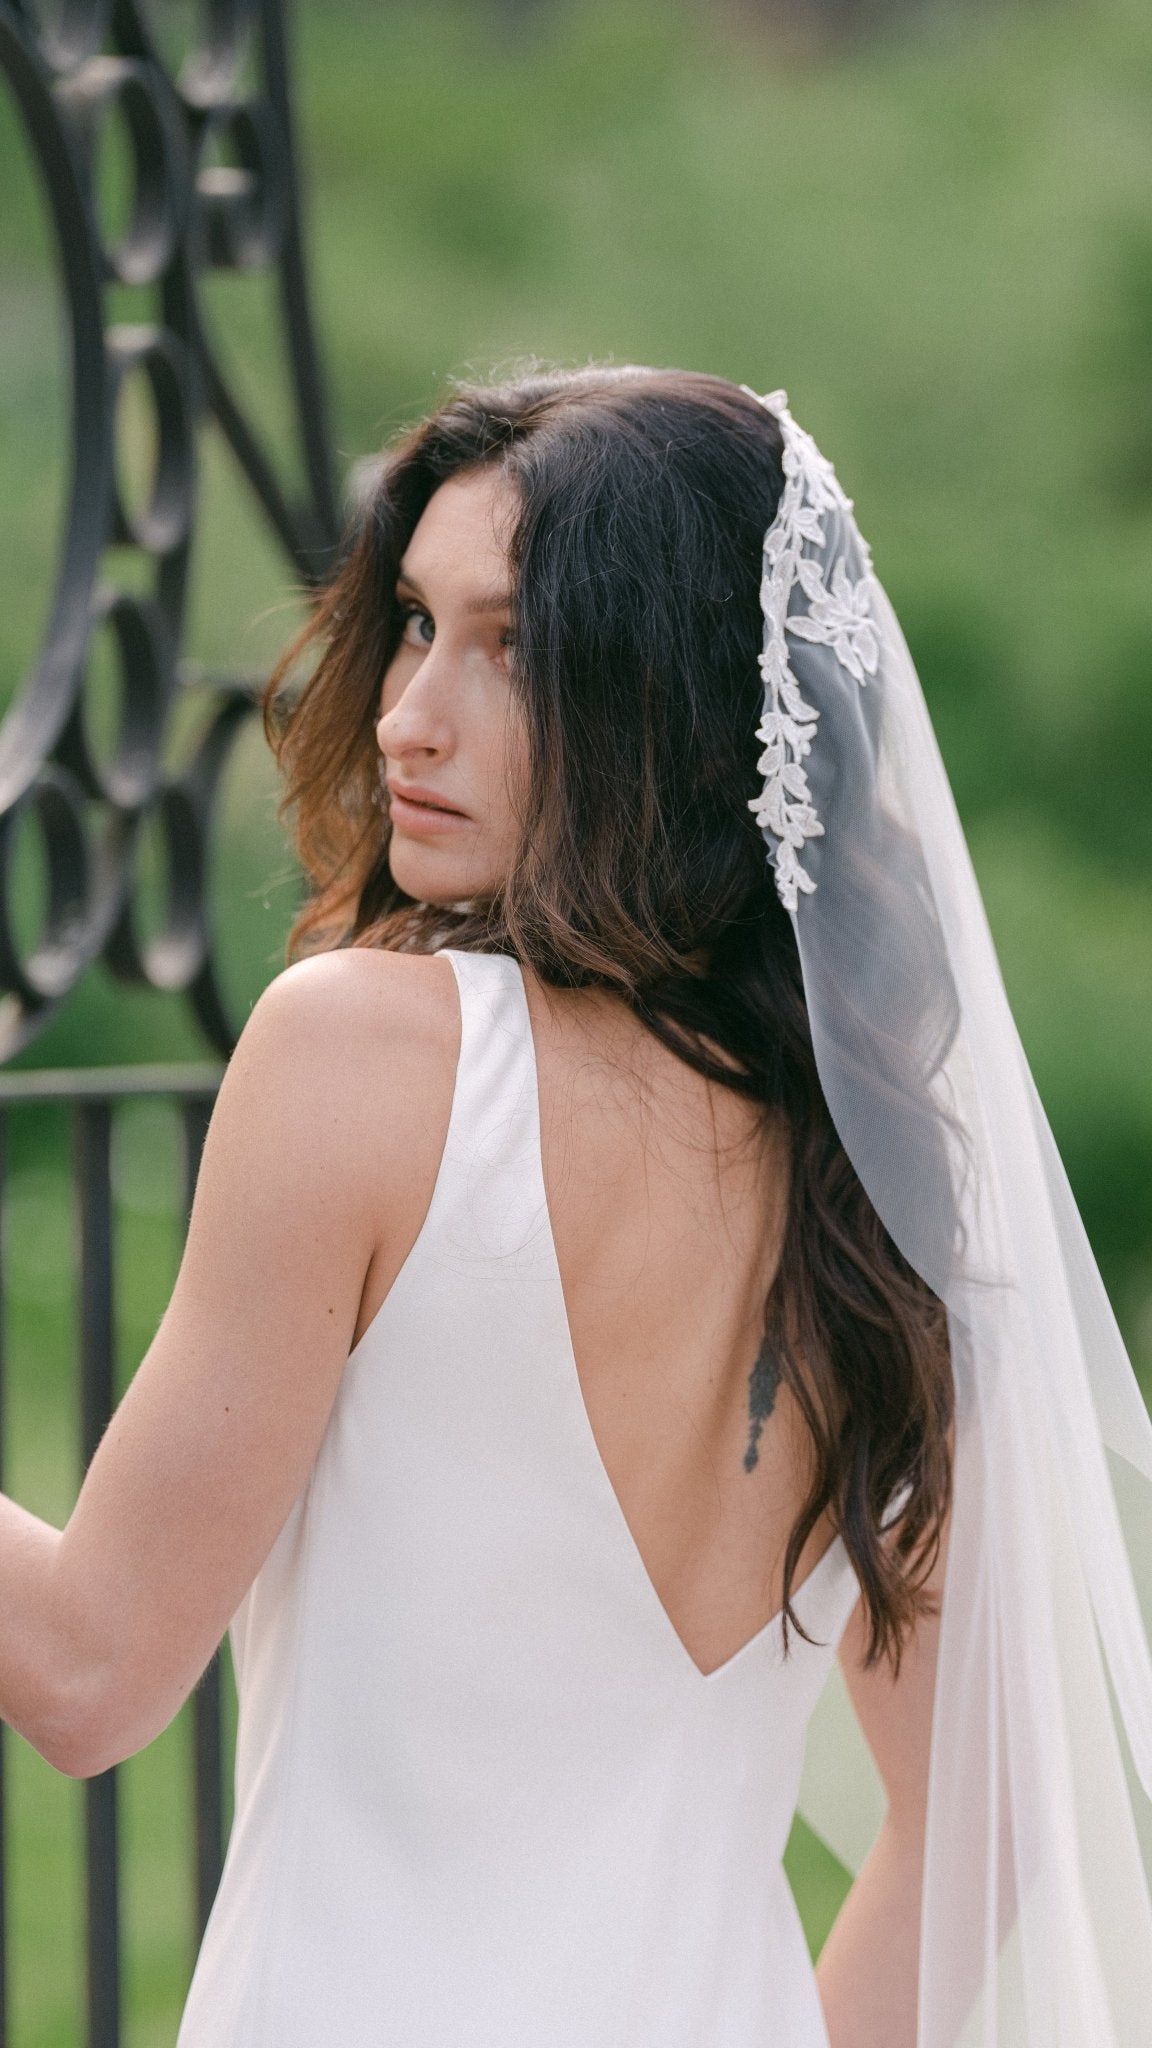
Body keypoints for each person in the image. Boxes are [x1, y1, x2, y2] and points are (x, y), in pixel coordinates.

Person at [0, 366, 1148, 2048]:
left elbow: (88, 1678)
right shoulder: (877, 1158)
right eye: (409, 623)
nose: (407, 715)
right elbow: (1001, 1807)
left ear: (672, 700)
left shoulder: (367, 1056)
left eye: (513, 647)